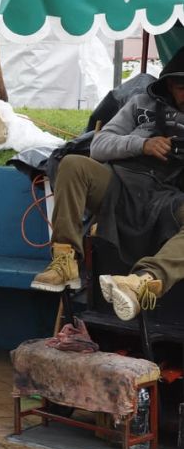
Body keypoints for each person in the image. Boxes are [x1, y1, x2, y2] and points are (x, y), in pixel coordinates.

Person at [31, 48, 184, 321]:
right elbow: (99, 145)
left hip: (169, 199)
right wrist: (143, 144)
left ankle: (144, 282)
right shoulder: (140, 104)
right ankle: (65, 260)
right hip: (118, 185)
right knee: (73, 164)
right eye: (182, 87)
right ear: (170, 85)